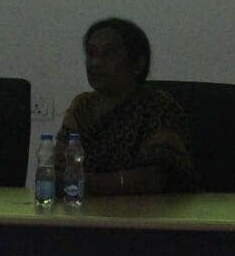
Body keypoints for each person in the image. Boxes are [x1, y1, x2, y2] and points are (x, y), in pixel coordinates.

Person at [57, 17, 196, 194]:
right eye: (91, 54)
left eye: (109, 54)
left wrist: (86, 183)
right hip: (83, 207)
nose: (95, 63)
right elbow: (60, 166)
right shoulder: (82, 106)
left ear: (138, 64)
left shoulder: (157, 107)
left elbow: (157, 178)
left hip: (150, 208)